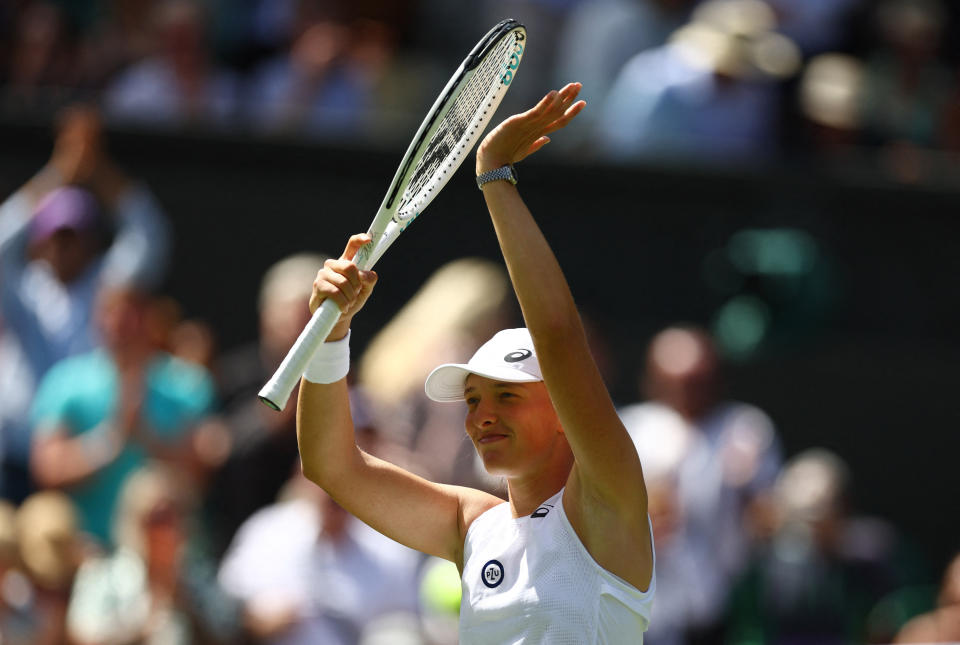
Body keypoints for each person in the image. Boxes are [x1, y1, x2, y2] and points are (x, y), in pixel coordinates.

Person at [295, 82, 655, 642]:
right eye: (472, 400)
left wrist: (493, 176)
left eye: (507, 395)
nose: (481, 415)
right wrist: (331, 335)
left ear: (563, 408)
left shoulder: (610, 500)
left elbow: (558, 339)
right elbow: (330, 465)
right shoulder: (474, 527)